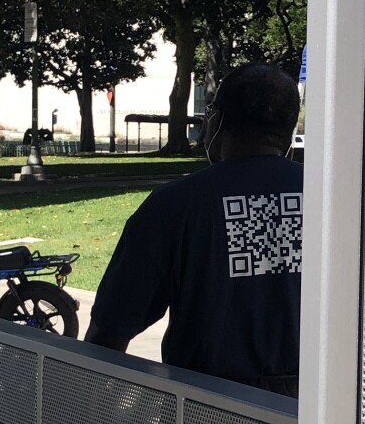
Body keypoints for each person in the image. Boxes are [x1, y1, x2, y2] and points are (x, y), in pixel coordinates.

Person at [86, 63, 302, 396]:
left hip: (204, 410)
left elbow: (110, 330)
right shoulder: (332, 202)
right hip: (317, 411)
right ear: (289, 132)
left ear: (217, 121)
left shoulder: (176, 205)